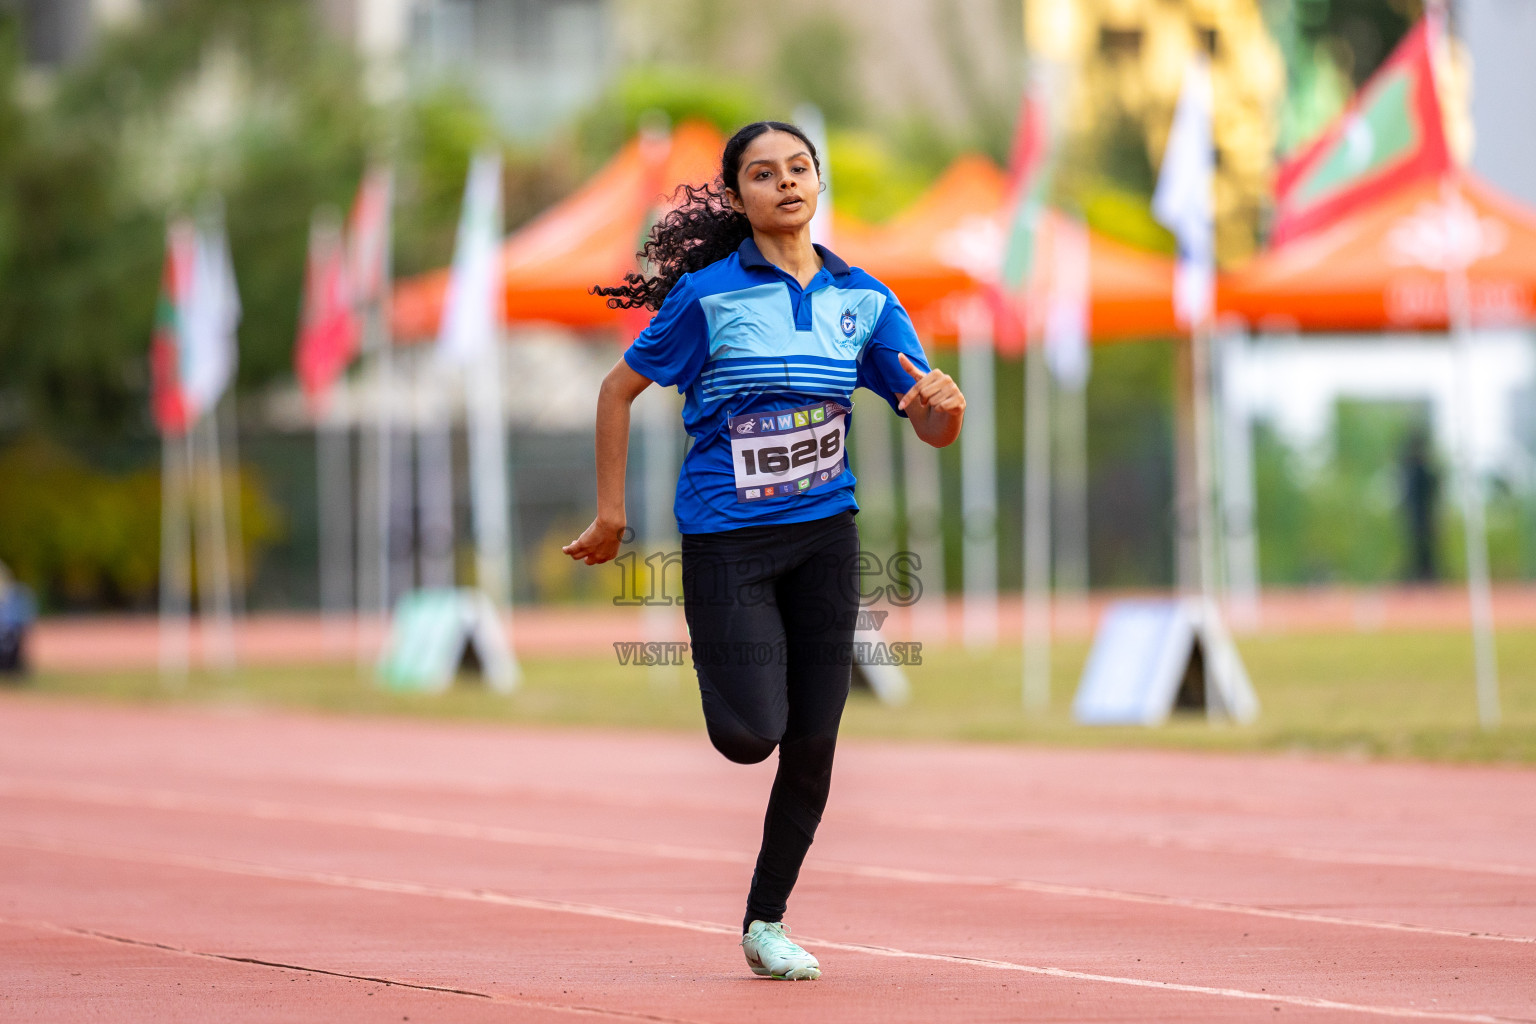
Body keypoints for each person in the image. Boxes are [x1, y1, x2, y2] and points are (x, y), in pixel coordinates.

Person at [563, 121, 965, 980]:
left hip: (826, 535)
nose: (786, 183)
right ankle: (740, 683)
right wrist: (609, 517)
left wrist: (945, 405)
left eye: (799, 168)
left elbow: (928, 424)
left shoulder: (866, 299)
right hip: (726, 542)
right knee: (752, 737)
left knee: (815, 743)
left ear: (818, 183)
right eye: (763, 173)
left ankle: (765, 922)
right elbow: (615, 390)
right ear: (738, 197)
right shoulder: (708, 298)